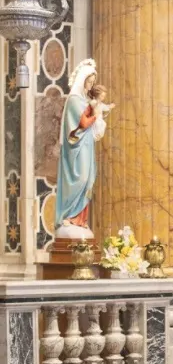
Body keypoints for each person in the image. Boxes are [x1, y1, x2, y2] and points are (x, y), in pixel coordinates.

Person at [55, 59, 99, 234]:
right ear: (82, 80)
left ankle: (79, 219)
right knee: (79, 179)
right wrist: (94, 114)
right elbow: (80, 124)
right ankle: (68, 215)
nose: (90, 86)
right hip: (76, 149)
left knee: (88, 180)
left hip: (87, 147)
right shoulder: (74, 100)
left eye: (92, 83)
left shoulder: (84, 100)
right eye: (89, 82)